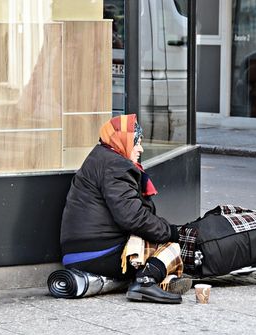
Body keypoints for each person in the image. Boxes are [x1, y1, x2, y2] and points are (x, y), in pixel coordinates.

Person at [60, 114, 191, 304]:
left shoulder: (101, 157)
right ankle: (145, 283)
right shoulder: (116, 165)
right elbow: (132, 217)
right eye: (136, 142)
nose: (140, 148)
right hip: (97, 253)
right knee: (171, 247)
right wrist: (170, 231)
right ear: (123, 140)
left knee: (151, 245)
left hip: (80, 251)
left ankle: (165, 281)